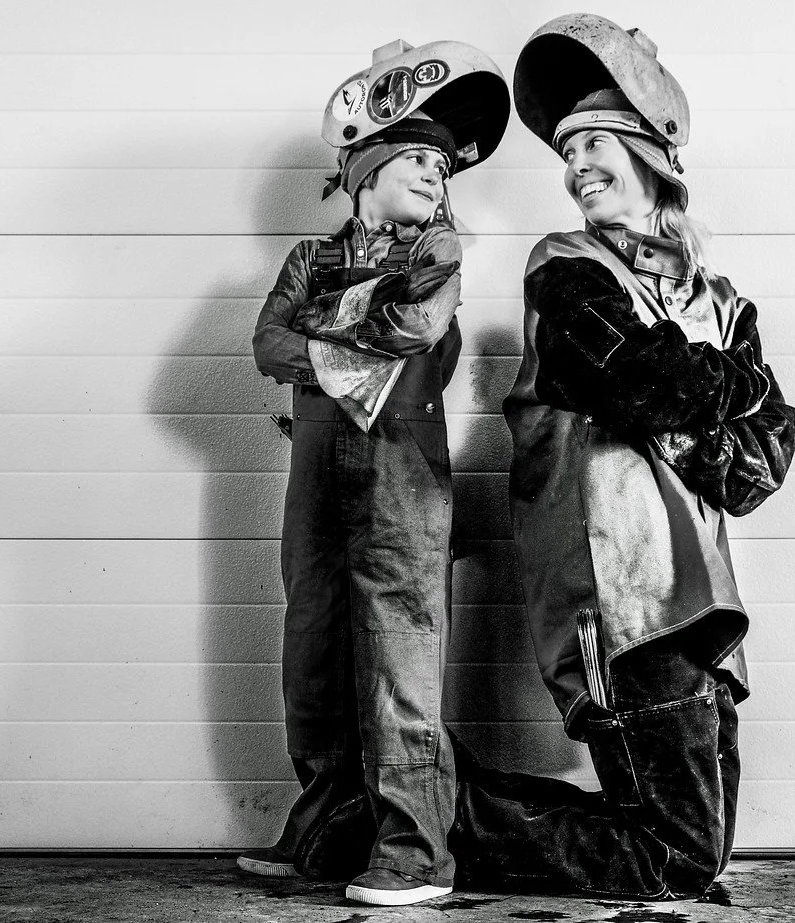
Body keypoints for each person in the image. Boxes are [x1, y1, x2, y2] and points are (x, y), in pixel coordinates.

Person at [447, 14, 795, 899]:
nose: (575, 167)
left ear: (650, 150)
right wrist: (729, 391)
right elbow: (635, 376)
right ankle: (415, 807)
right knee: (679, 858)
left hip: (706, 607)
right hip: (619, 599)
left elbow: (764, 463)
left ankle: (426, 801)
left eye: (592, 142)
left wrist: (682, 407)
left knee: (692, 851)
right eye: (567, 152)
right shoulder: (563, 269)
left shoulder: (722, 300)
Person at [240, 38, 510, 907]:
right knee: (312, 651)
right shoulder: (307, 260)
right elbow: (265, 344)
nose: (436, 174)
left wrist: (323, 336)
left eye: (444, 166)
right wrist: (357, 333)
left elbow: (419, 327)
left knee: (401, 656)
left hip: (404, 482)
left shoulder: (440, 255)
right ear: (366, 168)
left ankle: (416, 852)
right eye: (418, 159)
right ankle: (326, 832)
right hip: (315, 482)